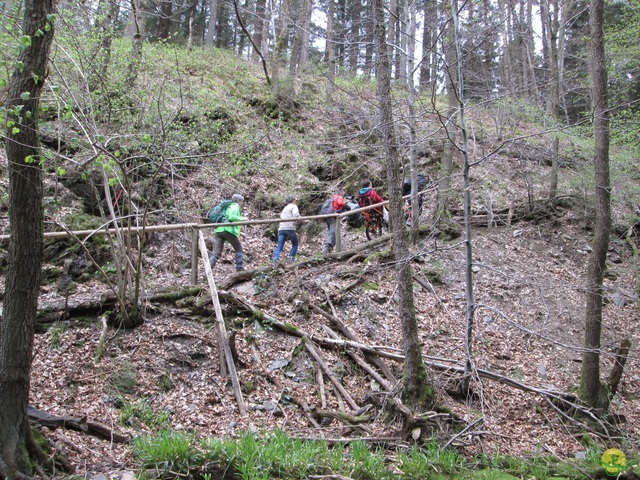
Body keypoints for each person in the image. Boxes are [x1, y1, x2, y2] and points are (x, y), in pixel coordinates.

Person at [209, 193, 247, 272]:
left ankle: (207, 270)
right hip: (228, 230)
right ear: (238, 201)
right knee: (239, 249)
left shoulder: (227, 207)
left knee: (216, 254)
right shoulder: (234, 206)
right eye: (241, 201)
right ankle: (239, 269)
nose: (242, 203)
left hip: (219, 230)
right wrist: (243, 218)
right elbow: (231, 217)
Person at [272, 195, 300, 264]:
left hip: (281, 228)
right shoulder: (293, 206)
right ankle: (291, 258)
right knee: (295, 244)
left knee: (280, 245)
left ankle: (275, 259)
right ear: (293, 200)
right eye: (295, 200)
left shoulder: (285, 208)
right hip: (289, 227)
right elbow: (296, 216)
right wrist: (304, 220)